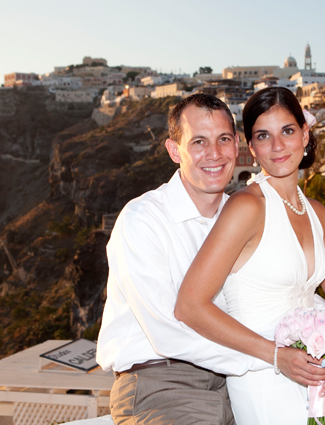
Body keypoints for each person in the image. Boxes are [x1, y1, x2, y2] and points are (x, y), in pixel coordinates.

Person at [175, 87, 325, 424]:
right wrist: (277, 356)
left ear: (305, 134)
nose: (277, 146)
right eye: (264, 135)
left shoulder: (318, 214)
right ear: (251, 147)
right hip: (265, 376)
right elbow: (189, 305)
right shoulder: (245, 207)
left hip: (321, 371)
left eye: (287, 131)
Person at [97, 93, 305, 425]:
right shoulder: (143, 220)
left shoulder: (243, 218)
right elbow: (167, 331)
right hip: (164, 383)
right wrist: (271, 357)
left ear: (237, 145)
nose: (215, 154)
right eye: (198, 142)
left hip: (234, 381)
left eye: (224, 139)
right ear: (174, 150)